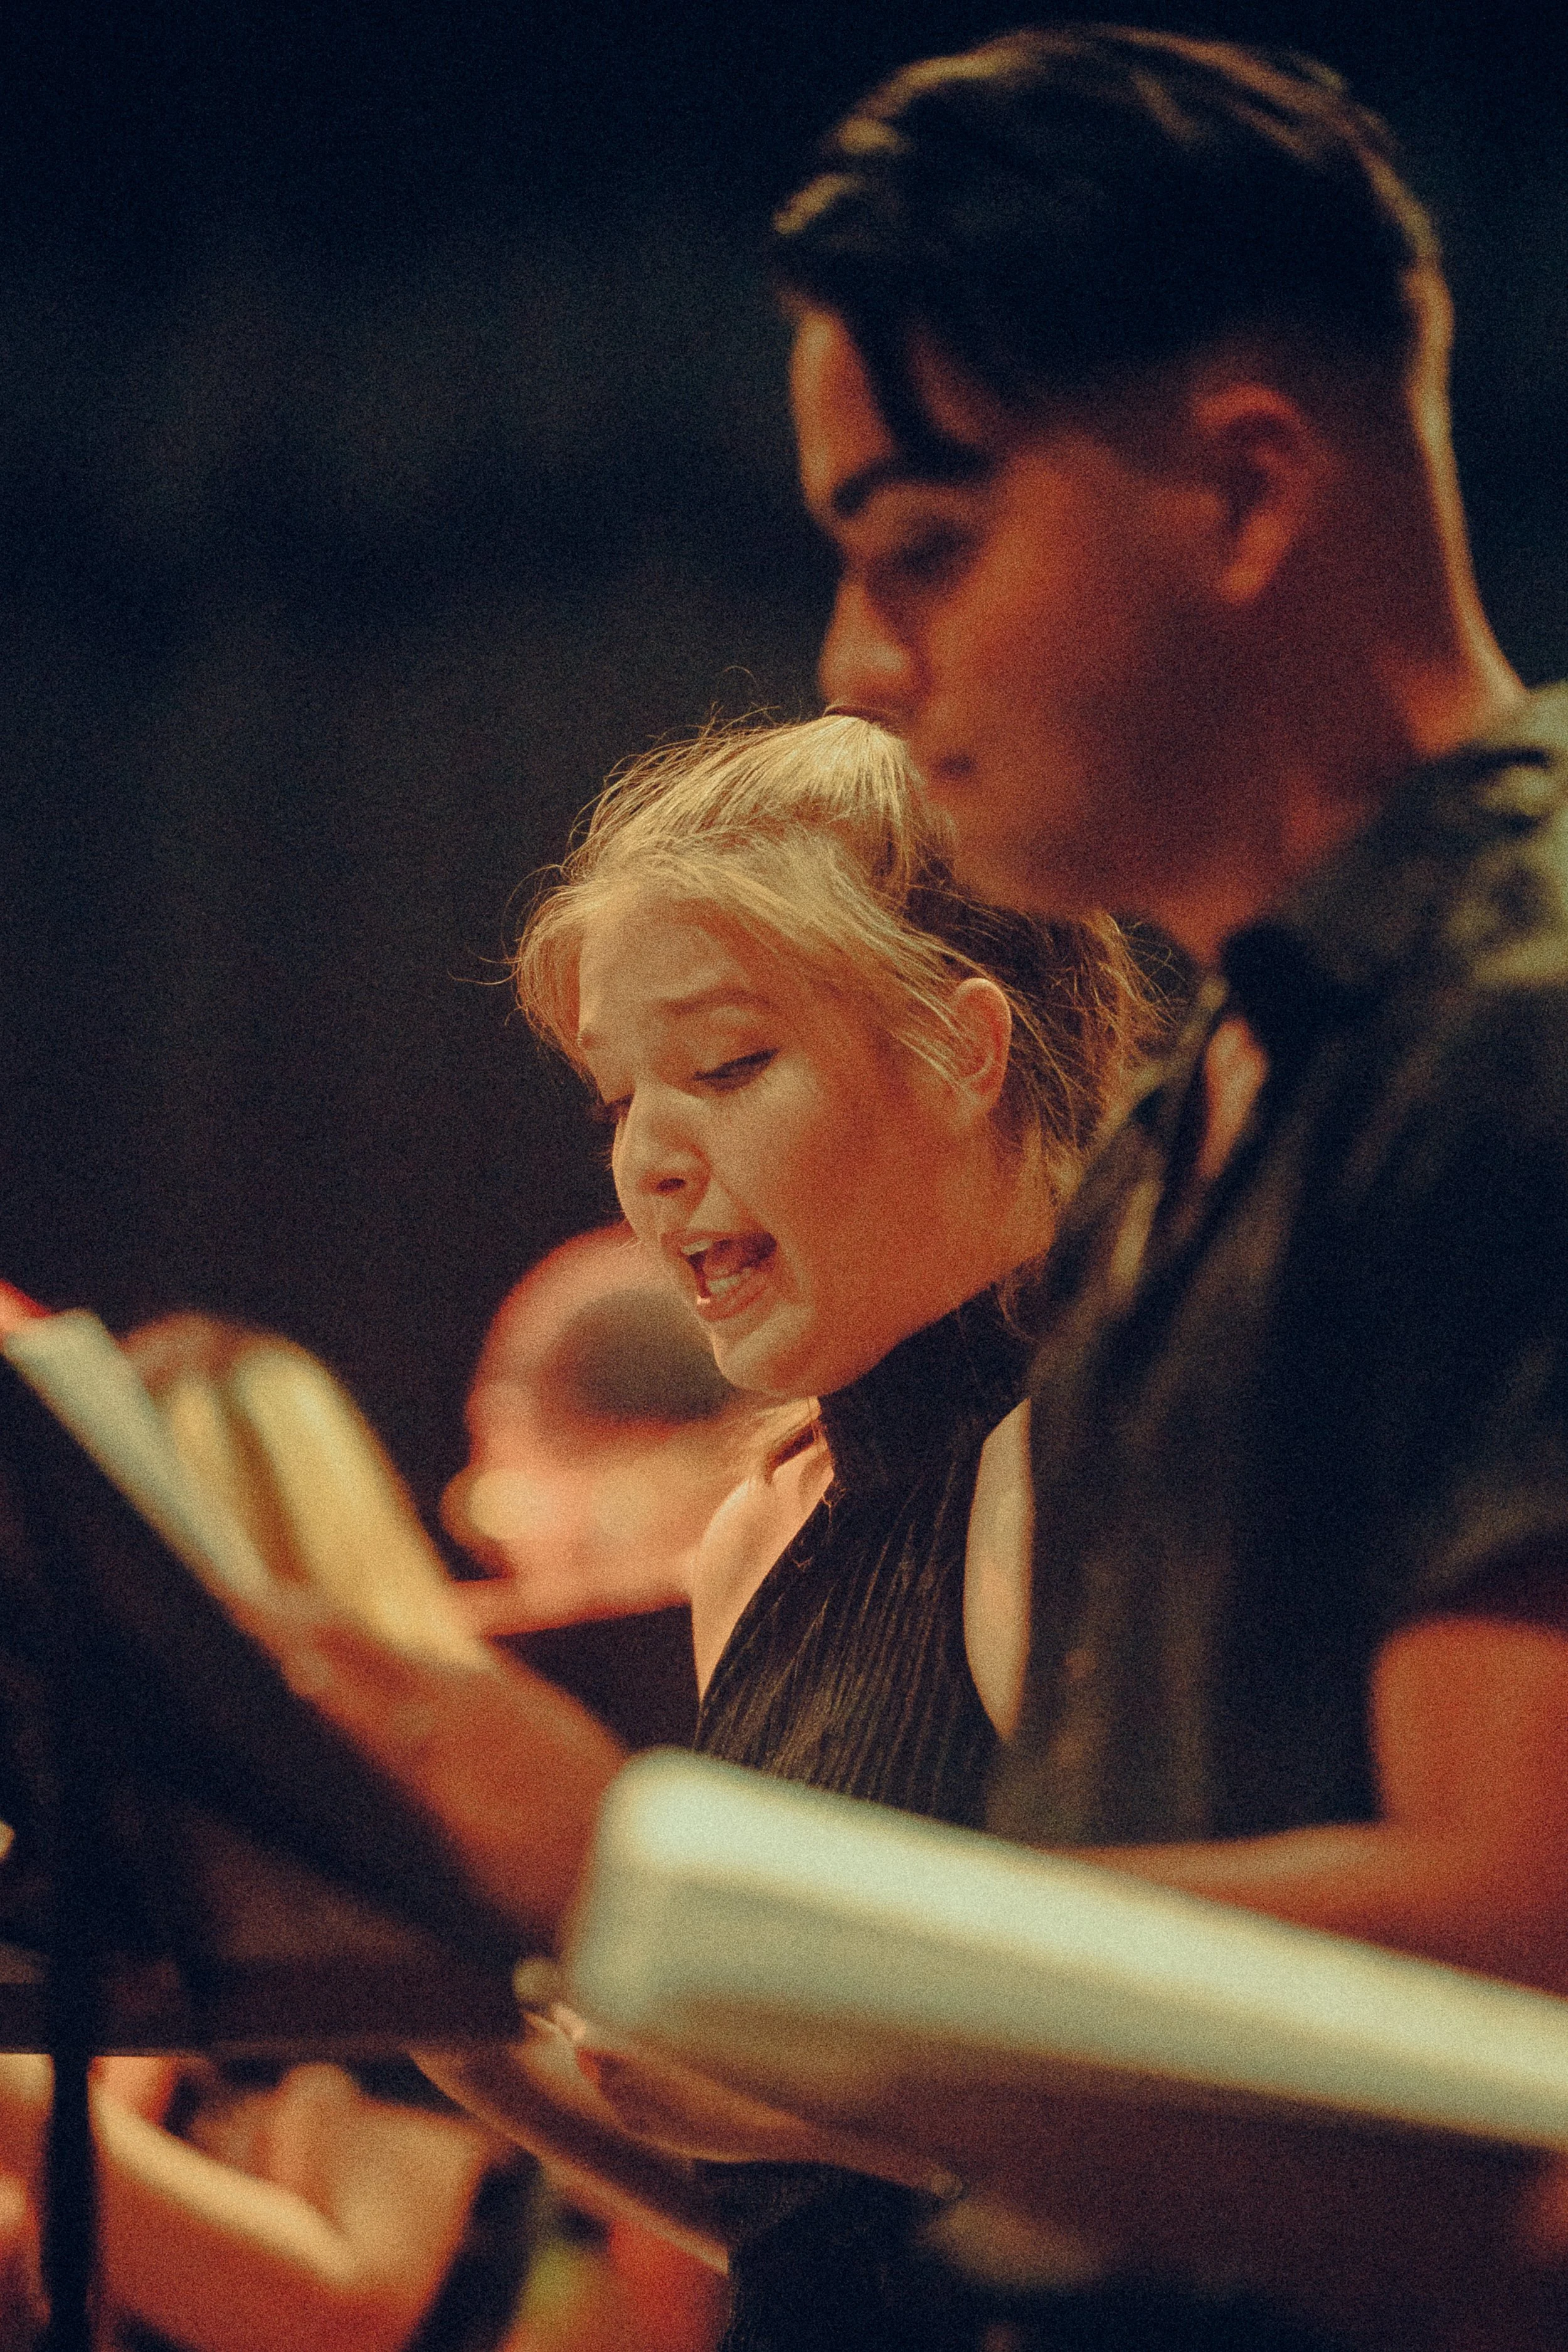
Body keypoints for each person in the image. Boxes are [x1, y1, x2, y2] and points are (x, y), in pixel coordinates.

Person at [768, 19, 1568, 2343]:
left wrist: (652, 1886)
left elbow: (1524, 1966)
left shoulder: (1520, 1030)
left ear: (1240, 492)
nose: (856, 662)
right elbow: (1130, 2063)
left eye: (923, 545)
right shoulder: (1178, 1130)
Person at [497, 710, 1158, 2351]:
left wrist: (773, 2076)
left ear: (961, 1048)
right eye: (619, 1096)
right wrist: (432, 1984)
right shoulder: (761, 1530)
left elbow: (1186, 2142)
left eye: (726, 1069)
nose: (650, 1162)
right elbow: (789, 2219)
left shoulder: (1072, 1480)